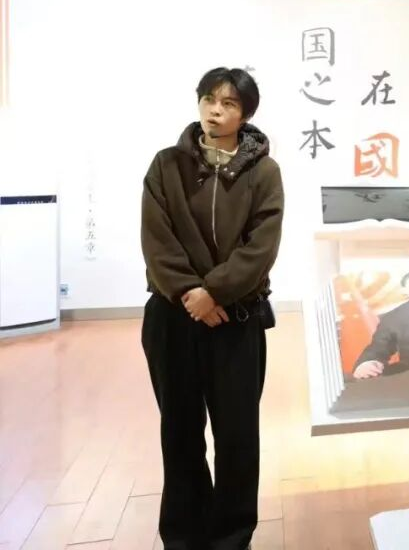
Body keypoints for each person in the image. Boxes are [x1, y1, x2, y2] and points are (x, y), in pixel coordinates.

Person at [141, 67, 285, 550]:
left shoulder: (264, 172)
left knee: (237, 437)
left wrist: (215, 293)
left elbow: (261, 245)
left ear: (245, 114)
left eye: (228, 104)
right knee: (180, 433)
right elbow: (157, 239)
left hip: (235, 320)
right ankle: (184, 537)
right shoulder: (166, 165)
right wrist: (190, 293)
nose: (215, 111)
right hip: (173, 317)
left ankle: (231, 539)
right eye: (208, 100)